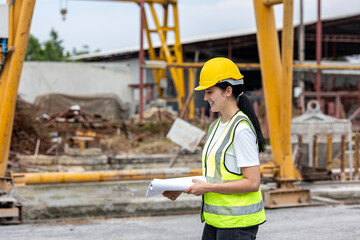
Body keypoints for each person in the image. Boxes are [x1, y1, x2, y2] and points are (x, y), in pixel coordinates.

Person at [163, 57, 266, 240]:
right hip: (215, 221)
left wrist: (208, 188)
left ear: (228, 91)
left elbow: (252, 182)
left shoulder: (241, 129)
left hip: (237, 224)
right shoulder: (215, 126)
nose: (205, 98)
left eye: (209, 92)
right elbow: (217, 173)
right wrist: (182, 186)